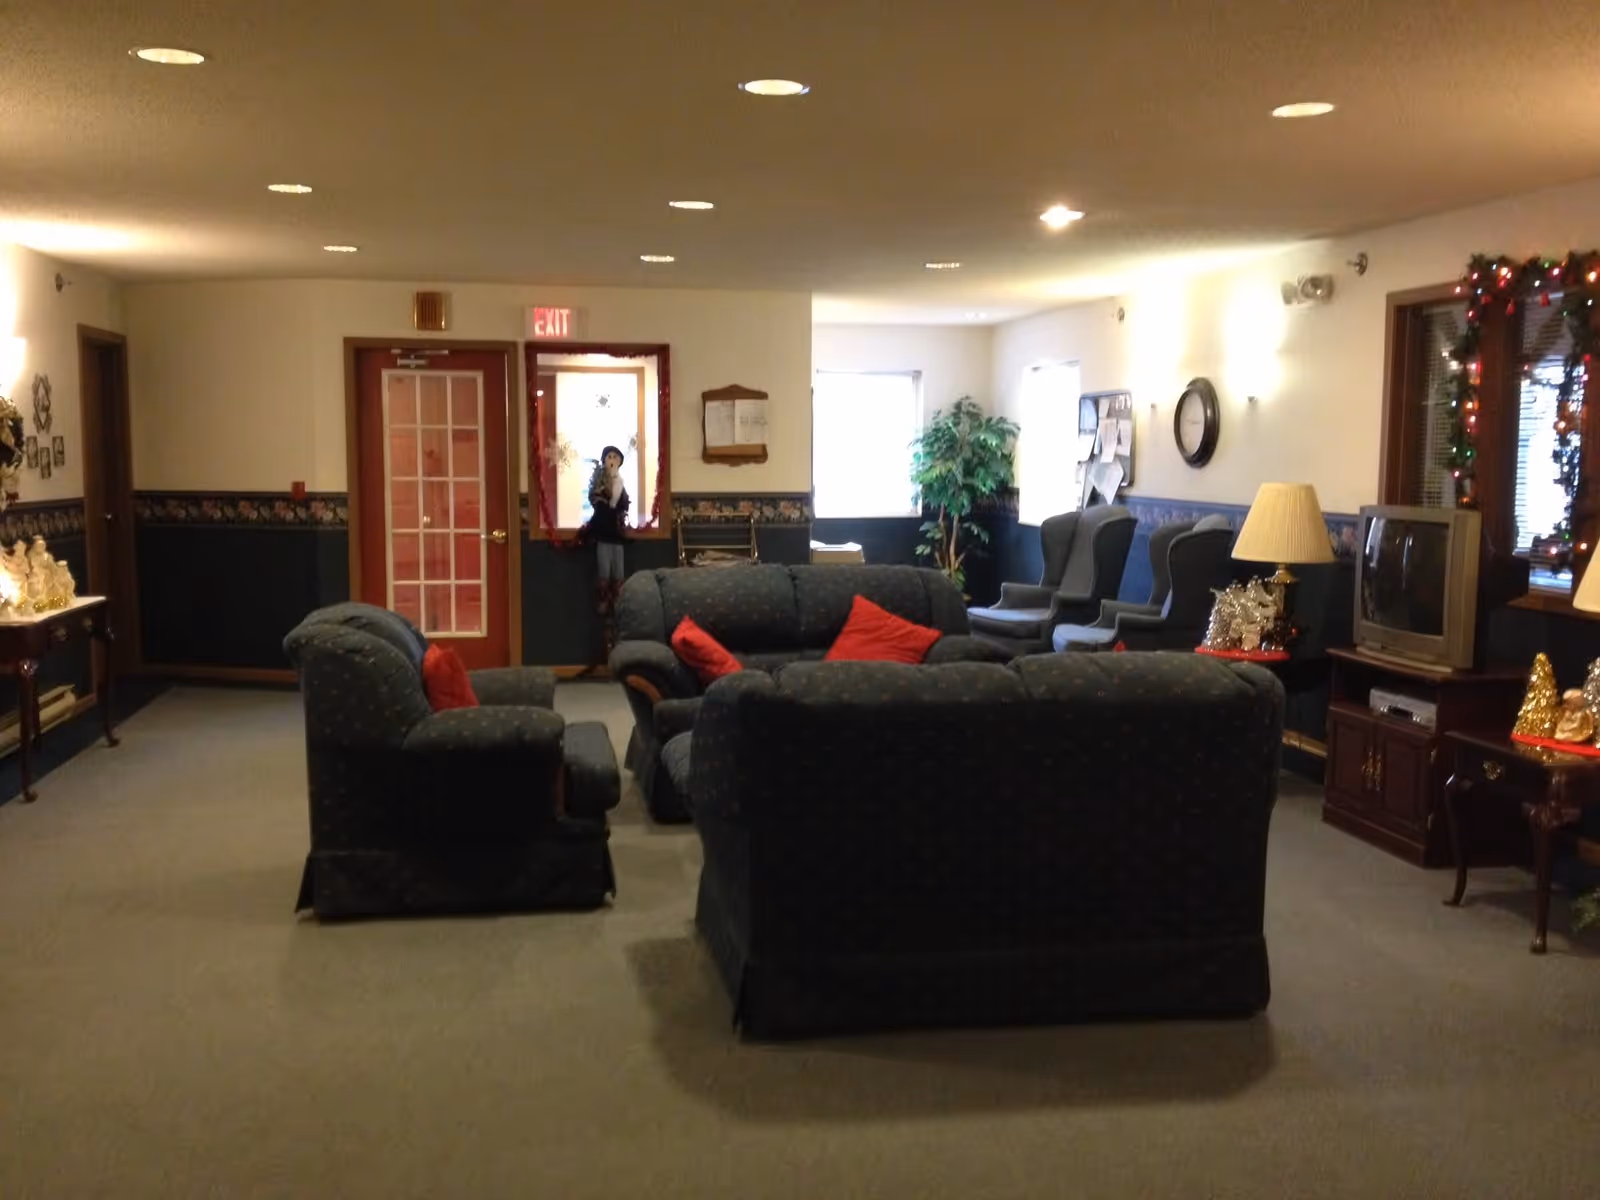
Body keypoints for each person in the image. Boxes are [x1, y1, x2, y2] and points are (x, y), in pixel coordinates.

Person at [582, 445, 630, 659]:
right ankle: (603, 600)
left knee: (618, 572)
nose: (612, 459)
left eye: (615, 456)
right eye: (609, 456)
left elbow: (622, 505)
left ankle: (618, 602)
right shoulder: (599, 481)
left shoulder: (621, 482)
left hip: (617, 535)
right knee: (604, 570)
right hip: (603, 533)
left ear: (619, 461)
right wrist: (605, 490)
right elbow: (596, 501)